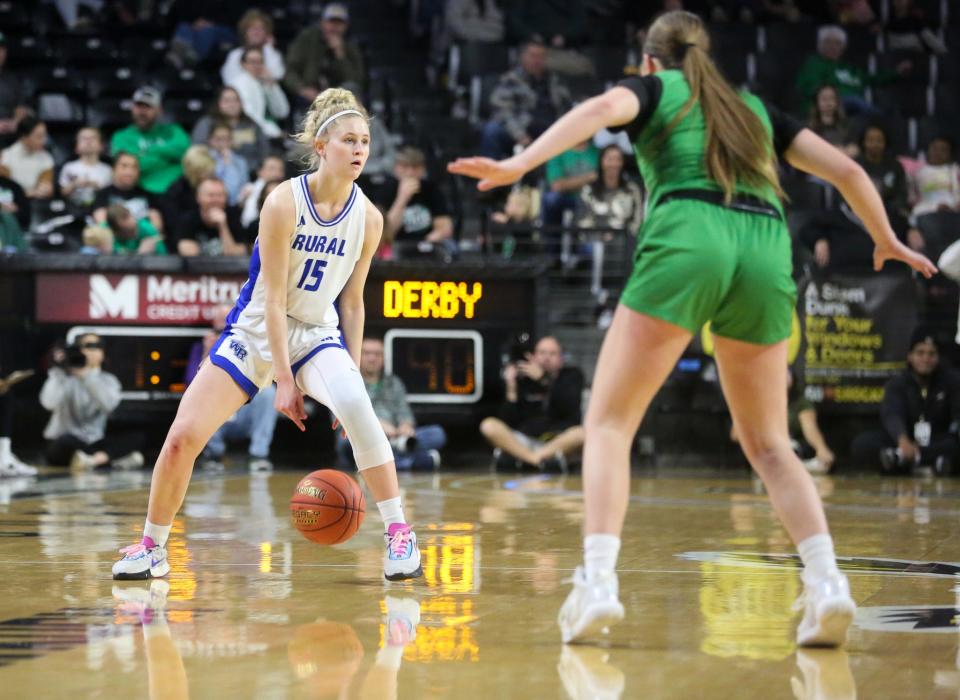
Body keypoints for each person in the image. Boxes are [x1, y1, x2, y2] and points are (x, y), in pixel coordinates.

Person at [449, 9, 935, 647]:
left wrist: (520, 163)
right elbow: (847, 170)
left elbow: (597, 111)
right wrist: (886, 238)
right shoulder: (753, 108)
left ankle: (596, 584)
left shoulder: (651, 89)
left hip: (690, 231)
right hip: (765, 246)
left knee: (609, 423)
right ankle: (827, 585)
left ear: (650, 61)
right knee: (769, 445)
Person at [112, 87, 423, 584]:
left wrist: (355, 382)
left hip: (317, 334)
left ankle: (399, 533)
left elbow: (353, 301)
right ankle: (152, 546)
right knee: (181, 438)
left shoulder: (369, 217)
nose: (360, 149)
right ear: (322, 147)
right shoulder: (283, 202)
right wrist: (284, 379)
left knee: (361, 411)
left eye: (364, 140)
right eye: (349, 139)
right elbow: (274, 300)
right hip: (257, 329)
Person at [851, 330, 960, 474]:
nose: (926, 359)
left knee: (953, 445)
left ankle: (905, 460)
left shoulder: (951, 381)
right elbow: (892, 414)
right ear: (910, 356)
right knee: (862, 443)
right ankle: (925, 463)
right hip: (904, 440)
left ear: (938, 357)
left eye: (931, 354)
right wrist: (902, 440)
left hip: (937, 441)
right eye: (920, 353)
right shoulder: (897, 384)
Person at [188, 305, 278, 473]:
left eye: (227, 319)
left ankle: (259, 456)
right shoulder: (202, 345)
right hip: (218, 416)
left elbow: (264, 377)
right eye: (220, 320)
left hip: (243, 409)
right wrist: (207, 353)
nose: (223, 325)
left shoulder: (249, 343)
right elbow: (189, 384)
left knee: (269, 394)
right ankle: (212, 455)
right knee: (202, 399)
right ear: (214, 322)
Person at [337, 337, 446, 471]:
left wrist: (405, 426)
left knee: (437, 433)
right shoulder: (346, 383)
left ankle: (381, 460)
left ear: (383, 358)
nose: (372, 358)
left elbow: (405, 414)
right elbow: (342, 419)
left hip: (395, 437)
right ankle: (410, 461)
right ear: (357, 355)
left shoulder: (394, 383)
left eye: (377, 354)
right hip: (361, 437)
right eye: (367, 353)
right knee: (347, 443)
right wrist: (377, 426)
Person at [40, 334, 144, 472]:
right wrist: (58, 369)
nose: (88, 351)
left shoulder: (108, 380)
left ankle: (92, 460)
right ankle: (109, 460)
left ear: (102, 354)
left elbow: (109, 405)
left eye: (94, 347)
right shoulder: (63, 376)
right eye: (83, 347)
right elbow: (48, 403)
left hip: (93, 442)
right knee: (65, 441)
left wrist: (86, 375)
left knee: (138, 437)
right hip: (64, 443)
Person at [479, 336, 585, 471]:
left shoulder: (572, 376)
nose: (547, 358)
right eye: (542, 353)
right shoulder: (523, 379)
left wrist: (543, 380)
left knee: (582, 433)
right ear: (533, 356)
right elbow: (508, 420)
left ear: (561, 358)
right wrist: (511, 387)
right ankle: (535, 460)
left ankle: (530, 459)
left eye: (552, 354)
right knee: (489, 425)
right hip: (524, 441)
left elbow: (567, 405)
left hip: (557, 441)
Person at [480, 39, 572, 160]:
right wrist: (520, 135)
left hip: (552, 128)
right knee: (492, 130)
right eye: (533, 56)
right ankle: (490, 173)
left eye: (541, 56)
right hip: (523, 126)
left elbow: (567, 106)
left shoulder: (555, 80)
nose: (537, 61)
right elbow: (502, 110)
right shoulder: (511, 79)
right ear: (522, 57)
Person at [731, 368, 836, 474]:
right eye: (779, 372)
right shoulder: (755, 399)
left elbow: (810, 428)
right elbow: (736, 434)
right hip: (762, 451)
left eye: (787, 373)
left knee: (793, 450)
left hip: (793, 449)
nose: (784, 377)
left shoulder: (800, 401)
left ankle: (797, 467)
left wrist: (821, 448)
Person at [796, 25, 909, 115]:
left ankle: (883, 119)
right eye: (828, 42)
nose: (833, 46)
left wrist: (896, 73)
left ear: (843, 48)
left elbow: (870, 79)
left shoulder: (848, 68)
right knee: (854, 101)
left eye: (838, 43)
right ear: (820, 45)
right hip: (827, 106)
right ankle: (880, 118)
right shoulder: (814, 64)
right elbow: (809, 86)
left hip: (852, 109)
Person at [110, 87, 190, 196]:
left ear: (159, 110)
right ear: (132, 108)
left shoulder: (173, 130)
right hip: (141, 193)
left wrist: (148, 151)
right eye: (139, 106)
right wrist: (169, 158)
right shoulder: (121, 137)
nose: (142, 111)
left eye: (148, 107)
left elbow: (184, 151)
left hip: (177, 191)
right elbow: (134, 165)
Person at [379, 146, 454, 258]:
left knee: (450, 248)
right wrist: (402, 198)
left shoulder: (432, 190)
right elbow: (386, 234)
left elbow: (445, 228)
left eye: (415, 167)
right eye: (404, 167)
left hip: (428, 243)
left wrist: (422, 245)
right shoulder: (386, 188)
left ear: (423, 169)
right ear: (396, 168)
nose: (410, 172)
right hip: (396, 245)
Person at [284, 3, 366, 104]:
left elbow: (354, 82)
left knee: (352, 93)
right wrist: (302, 89)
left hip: (339, 98)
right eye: (331, 22)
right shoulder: (306, 39)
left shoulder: (351, 46)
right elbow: (290, 71)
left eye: (339, 23)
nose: (335, 27)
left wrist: (340, 54)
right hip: (309, 94)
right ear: (322, 22)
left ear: (346, 26)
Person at [191, 86, 270, 167]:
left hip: (252, 171)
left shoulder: (251, 124)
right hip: (216, 170)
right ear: (218, 103)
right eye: (226, 101)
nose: (232, 104)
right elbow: (198, 150)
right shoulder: (207, 123)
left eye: (236, 100)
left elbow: (264, 149)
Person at [167, 176, 247, 256]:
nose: (216, 200)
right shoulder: (187, 220)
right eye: (211, 195)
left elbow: (237, 256)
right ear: (198, 197)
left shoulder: (233, 217)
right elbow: (190, 255)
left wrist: (223, 226)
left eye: (220, 195)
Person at [227, 47, 290, 141]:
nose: (257, 65)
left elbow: (282, 112)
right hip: (248, 133)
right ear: (243, 64)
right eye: (252, 62)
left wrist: (271, 84)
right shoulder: (239, 84)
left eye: (260, 62)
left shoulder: (263, 82)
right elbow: (250, 115)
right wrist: (275, 132)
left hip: (266, 132)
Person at [92, 151, 165, 232]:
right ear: (114, 169)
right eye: (124, 166)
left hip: (144, 239)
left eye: (134, 167)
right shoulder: (103, 194)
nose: (129, 172)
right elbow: (102, 224)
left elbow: (156, 227)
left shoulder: (148, 196)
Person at [220, 9, 285, 86]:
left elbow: (278, 75)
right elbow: (229, 80)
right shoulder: (235, 54)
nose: (256, 32)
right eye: (252, 28)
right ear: (245, 32)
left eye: (261, 29)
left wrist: (269, 48)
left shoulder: (272, 53)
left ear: (267, 33)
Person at [58, 127, 112, 212]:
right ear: (76, 146)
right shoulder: (69, 167)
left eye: (93, 138)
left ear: (101, 146)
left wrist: (97, 187)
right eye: (84, 139)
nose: (88, 142)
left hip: (99, 209)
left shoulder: (108, 170)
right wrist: (75, 184)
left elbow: (111, 194)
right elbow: (63, 192)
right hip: (73, 208)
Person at [0, 116, 54, 200]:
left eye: (45, 135)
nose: (44, 141)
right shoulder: (5, 156)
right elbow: (4, 190)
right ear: (24, 137)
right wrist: (27, 193)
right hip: (12, 204)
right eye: (39, 137)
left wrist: (47, 189)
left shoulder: (46, 157)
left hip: (36, 202)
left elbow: (45, 184)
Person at [84, 203, 166, 256]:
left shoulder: (146, 228)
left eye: (129, 216)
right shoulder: (104, 230)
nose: (131, 221)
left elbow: (163, 255)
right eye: (124, 219)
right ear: (115, 225)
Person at [207, 122, 250, 205]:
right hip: (212, 202)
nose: (223, 143)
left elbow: (243, 187)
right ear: (210, 140)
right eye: (219, 139)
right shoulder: (206, 159)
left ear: (231, 140)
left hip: (236, 205)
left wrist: (229, 163)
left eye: (227, 139)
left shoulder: (241, 162)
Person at [806, 85, 856, 156]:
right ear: (817, 103)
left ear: (837, 102)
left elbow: (854, 147)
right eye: (824, 99)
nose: (828, 103)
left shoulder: (847, 125)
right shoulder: (809, 129)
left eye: (831, 98)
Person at [240, 153, 285, 228]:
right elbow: (246, 219)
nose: (277, 173)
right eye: (272, 169)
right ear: (260, 171)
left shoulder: (288, 190)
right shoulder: (249, 189)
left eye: (280, 170)